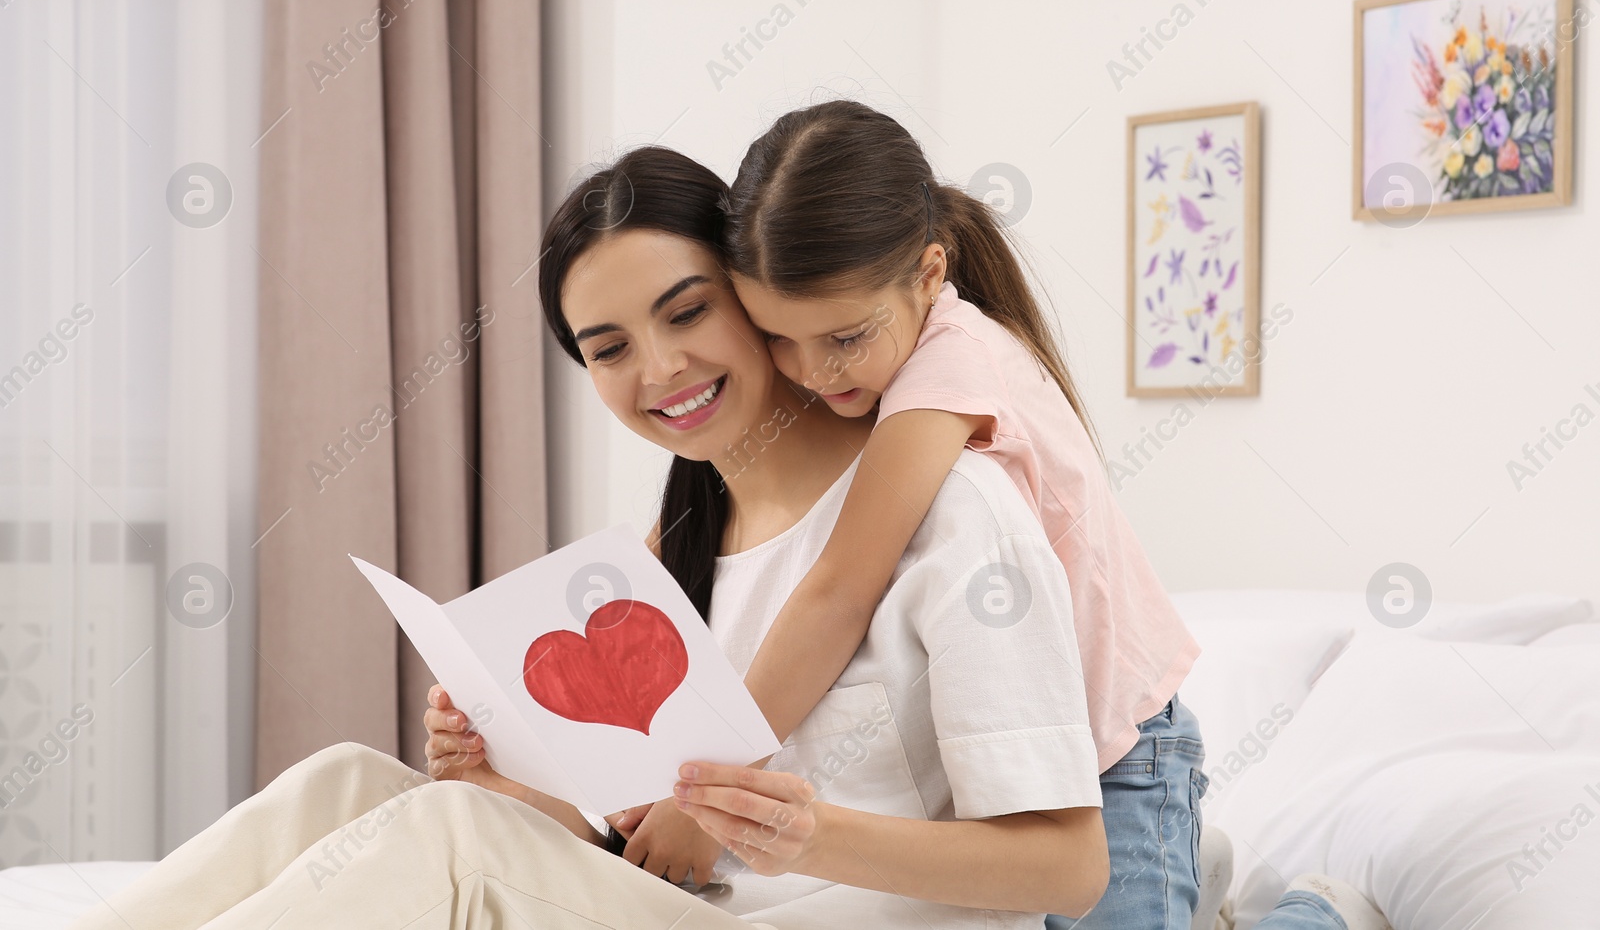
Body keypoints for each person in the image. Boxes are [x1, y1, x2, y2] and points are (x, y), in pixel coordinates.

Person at [67, 145, 1110, 930]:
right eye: (609, 347)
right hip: (701, 909)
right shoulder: (671, 552)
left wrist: (805, 832)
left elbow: (1065, 865)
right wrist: (506, 780)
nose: (657, 369)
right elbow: (642, 845)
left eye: (685, 311)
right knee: (349, 776)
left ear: (757, 293)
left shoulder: (953, 508)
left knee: (448, 841)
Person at [608, 100, 1207, 929]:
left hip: (1124, 748)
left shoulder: (944, 375)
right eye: (780, 337)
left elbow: (841, 587)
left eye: (845, 337)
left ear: (930, 273)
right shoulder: (887, 363)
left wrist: (706, 789)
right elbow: (695, 553)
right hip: (1038, 745)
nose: (812, 372)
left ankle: (1310, 912)